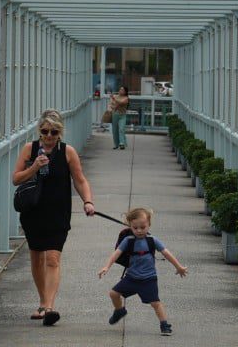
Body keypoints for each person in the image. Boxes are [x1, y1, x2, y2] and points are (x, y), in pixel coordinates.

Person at [12, 112, 96, 326]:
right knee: (36, 257)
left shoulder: (67, 152)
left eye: (54, 132)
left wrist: (88, 201)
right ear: (39, 131)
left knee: (53, 258)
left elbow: (80, 180)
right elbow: (16, 179)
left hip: (58, 212)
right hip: (33, 212)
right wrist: (34, 167)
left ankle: (49, 307)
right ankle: (42, 301)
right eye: (45, 131)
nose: (49, 136)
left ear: (60, 133)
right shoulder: (29, 150)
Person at [97, 206, 189, 337]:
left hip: (148, 279)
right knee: (113, 294)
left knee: (155, 303)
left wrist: (178, 267)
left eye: (143, 227)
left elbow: (166, 253)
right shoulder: (128, 241)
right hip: (131, 278)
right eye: (135, 228)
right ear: (130, 226)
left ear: (149, 225)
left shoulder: (152, 240)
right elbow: (116, 254)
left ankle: (164, 324)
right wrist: (106, 266)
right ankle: (119, 311)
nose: (139, 231)